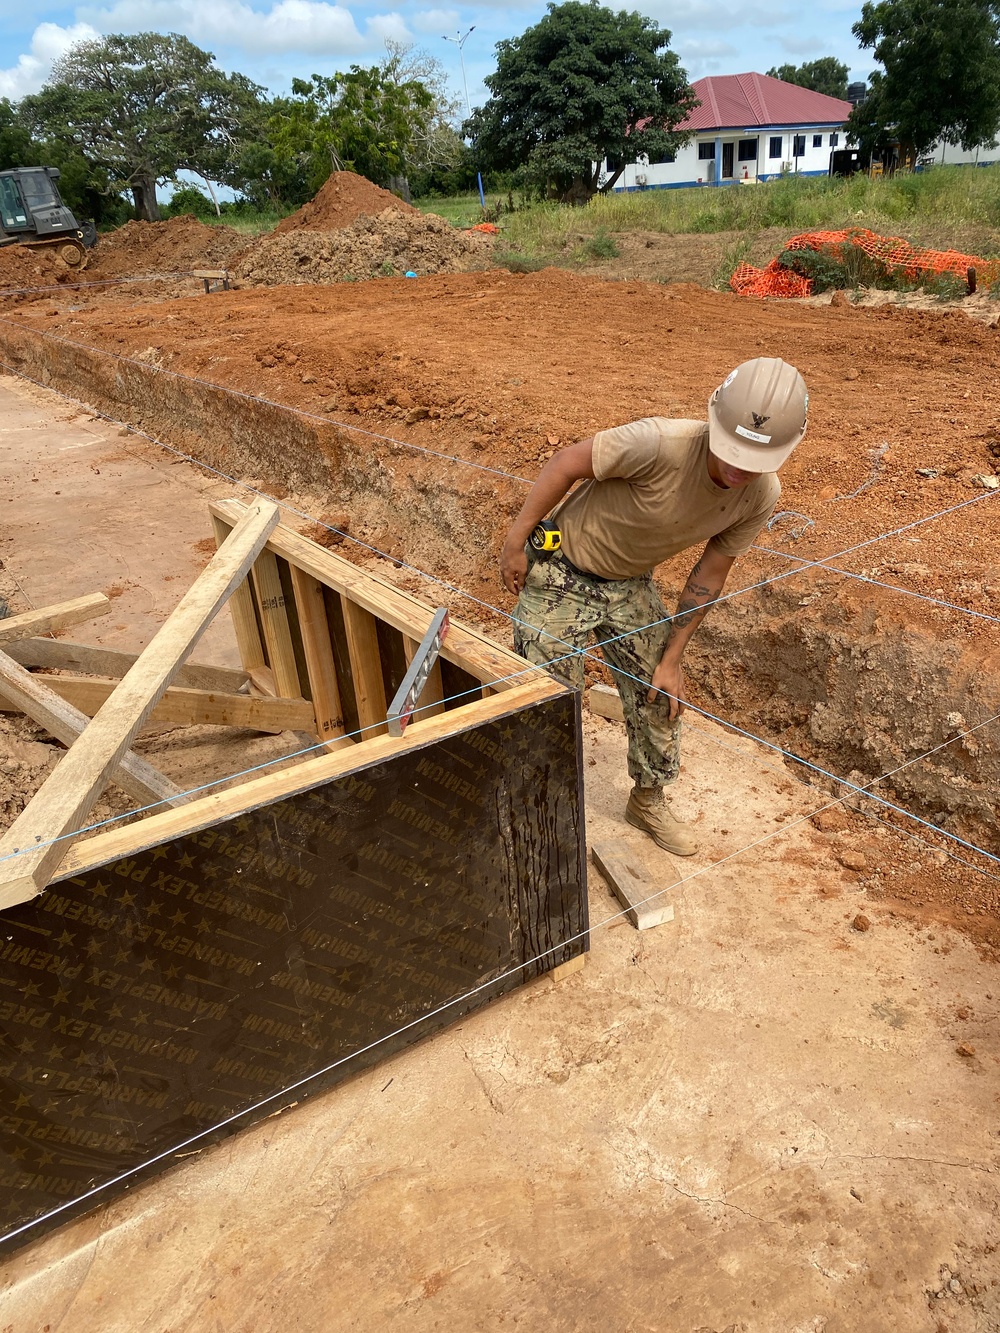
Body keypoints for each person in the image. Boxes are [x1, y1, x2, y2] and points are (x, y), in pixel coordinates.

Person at [500, 357, 808, 857]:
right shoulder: (656, 444)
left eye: (755, 462)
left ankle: (647, 800)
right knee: (547, 702)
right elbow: (564, 465)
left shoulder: (759, 497)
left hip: (630, 584)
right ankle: (546, 809)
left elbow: (709, 575)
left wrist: (672, 658)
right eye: (733, 451)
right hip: (564, 569)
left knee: (660, 692)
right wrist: (516, 543)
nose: (739, 469)